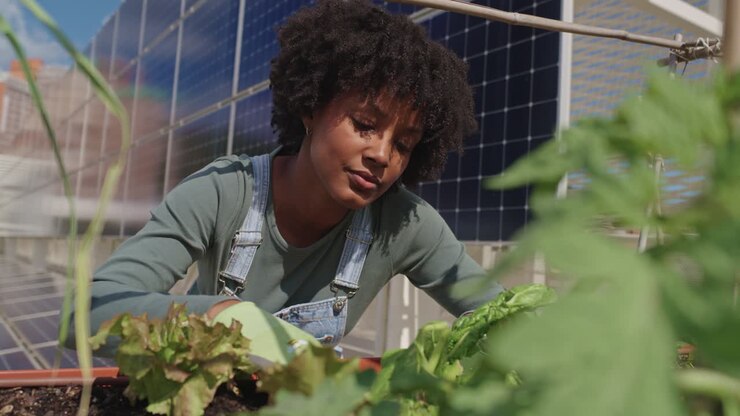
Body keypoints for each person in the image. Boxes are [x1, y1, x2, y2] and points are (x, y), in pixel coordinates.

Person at [73, 0, 504, 356]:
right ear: (311, 108)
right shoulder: (224, 192)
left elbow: (505, 319)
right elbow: (86, 313)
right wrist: (219, 316)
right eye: (365, 124)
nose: (381, 154)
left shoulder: (404, 225)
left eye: (404, 144)